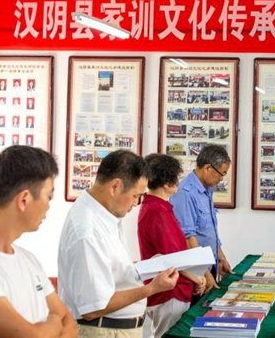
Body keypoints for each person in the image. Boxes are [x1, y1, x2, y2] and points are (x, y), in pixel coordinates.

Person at [0, 146, 77, 337]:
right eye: (48, 197)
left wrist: (52, 326)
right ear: (24, 199)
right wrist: (53, 321)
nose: (48, 206)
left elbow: (69, 322)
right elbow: (32, 336)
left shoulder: (29, 260)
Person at [58, 149, 179, 337]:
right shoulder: (88, 231)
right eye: (135, 195)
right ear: (115, 186)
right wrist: (152, 288)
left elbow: (111, 269)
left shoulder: (104, 215)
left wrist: (146, 266)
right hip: (103, 330)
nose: (136, 203)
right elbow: (94, 307)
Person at [137, 154, 207, 338]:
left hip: (172, 289)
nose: (178, 182)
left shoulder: (159, 207)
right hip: (170, 291)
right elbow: (170, 258)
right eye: (175, 177)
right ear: (167, 183)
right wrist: (197, 278)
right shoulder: (157, 211)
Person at [170, 145, 233, 293]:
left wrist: (221, 258)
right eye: (221, 174)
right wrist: (204, 272)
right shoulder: (185, 193)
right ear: (207, 168)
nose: (221, 179)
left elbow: (209, 230)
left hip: (209, 265)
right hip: (196, 273)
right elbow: (188, 237)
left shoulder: (207, 189)